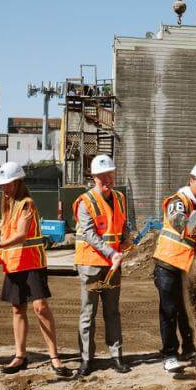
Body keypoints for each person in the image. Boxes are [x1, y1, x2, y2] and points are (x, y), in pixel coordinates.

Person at [0, 162, 70, 377]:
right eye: (3, 185)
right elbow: (8, 237)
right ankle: (20, 355)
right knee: (17, 308)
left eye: (8, 184)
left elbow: (20, 236)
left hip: (33, 264)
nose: (4, 188)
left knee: (40, 307)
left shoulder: (26, 204)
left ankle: (54, 357)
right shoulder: (8, 205)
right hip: (15, 264)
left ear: (18, 182)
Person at [152, 161, 196, 373]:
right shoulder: (178, 200)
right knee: (169, 310)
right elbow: (177, 220)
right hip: (168, 263)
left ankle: (189, 349)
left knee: (188, 310)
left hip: (188, 267)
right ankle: (170, 354)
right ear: (191, 179)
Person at [73, 154, 129, 377]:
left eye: (110, 174)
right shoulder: (84, 202)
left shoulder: (120, 197)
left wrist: (126, 237)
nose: (107, 179)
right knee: (88, 313)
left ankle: (116, 356)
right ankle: (86, 359)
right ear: (93, 177)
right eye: (102, 176)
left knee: (113, 312)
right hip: (91, 265)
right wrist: (112, 253)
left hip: (113, 265)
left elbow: (123, 222)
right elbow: (89, 233)